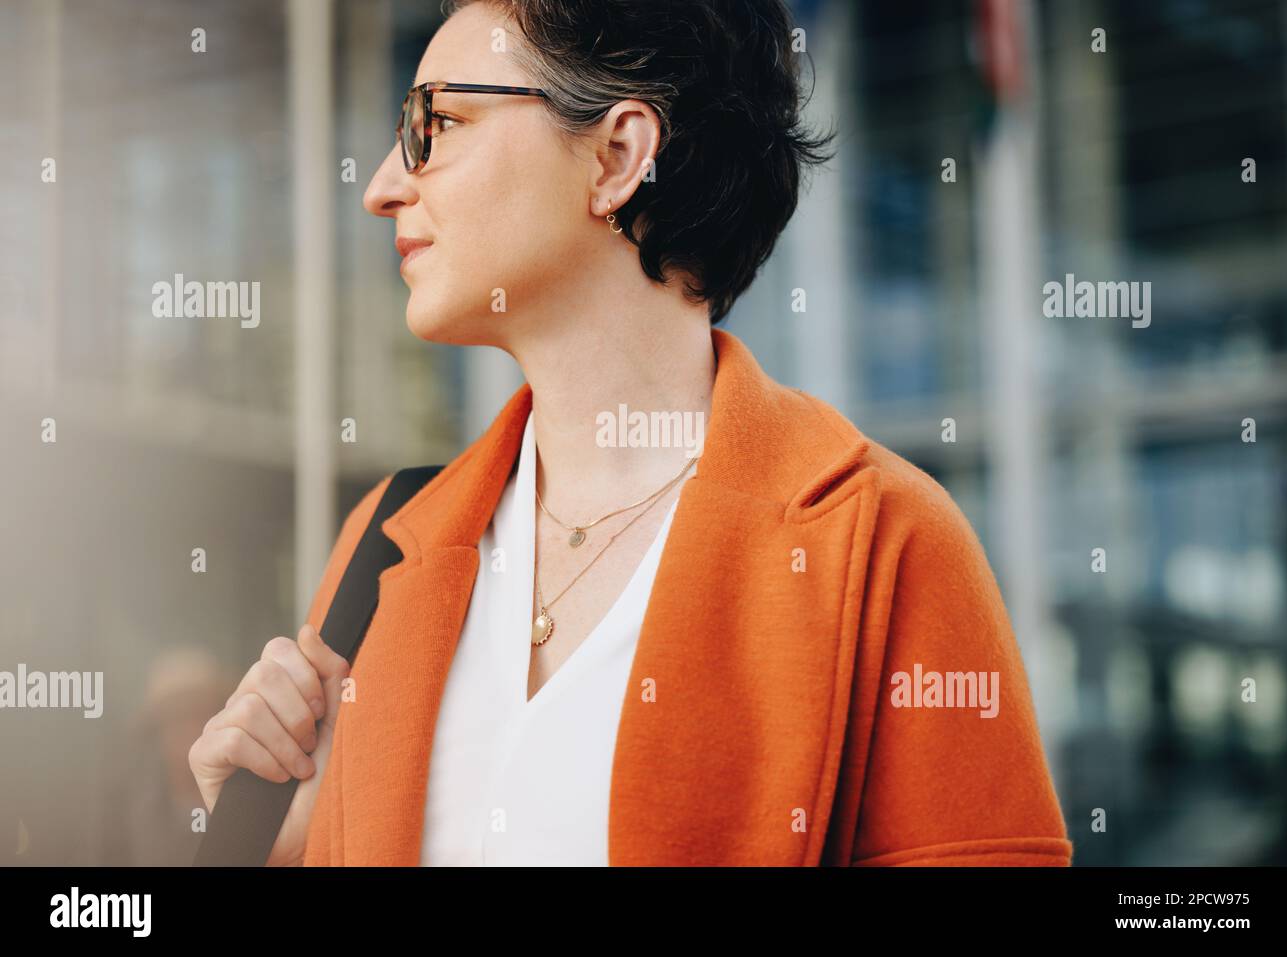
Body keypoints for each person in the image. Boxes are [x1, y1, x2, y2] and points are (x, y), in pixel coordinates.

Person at [190, 0, 1072, 866]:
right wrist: (295, 848)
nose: (384, 186)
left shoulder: (884, 544)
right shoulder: (385, 543)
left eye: (438, 124)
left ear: (617, 158)